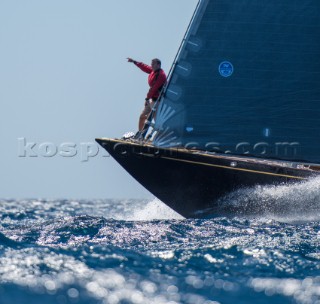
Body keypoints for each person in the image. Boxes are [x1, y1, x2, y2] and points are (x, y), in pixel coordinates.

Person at [127, 57, 167, 131]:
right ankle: (140, 135)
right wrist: (134, 61)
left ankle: (164, 136)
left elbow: (154, 89)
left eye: (153, 64)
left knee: (157, 121)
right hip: (152, 99)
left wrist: (147, 98)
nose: (151, 65)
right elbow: (145, 67)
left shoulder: (160, 75)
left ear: (158, 65)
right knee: (142, 116)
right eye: (151, 64)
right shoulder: (153, 71)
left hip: (158, 101)